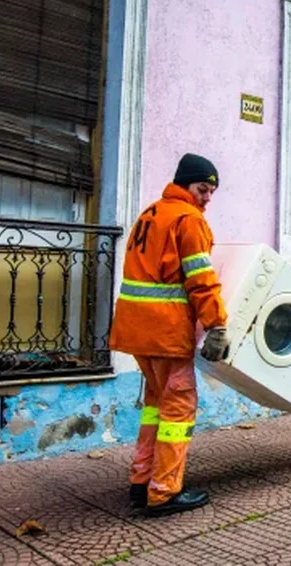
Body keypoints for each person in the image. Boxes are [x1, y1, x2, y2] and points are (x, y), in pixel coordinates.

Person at [110, 153, 231, 517]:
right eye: (202, 188)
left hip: (136, 329)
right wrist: (216, 325)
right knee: (178, 408)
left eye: (211, 191)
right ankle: (163, 491)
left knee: (155, 407)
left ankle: (140, 482)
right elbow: (201, 281)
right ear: (184, 184)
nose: (207, 197)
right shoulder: (188, 220)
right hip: (165, 331)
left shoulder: (150, 213)